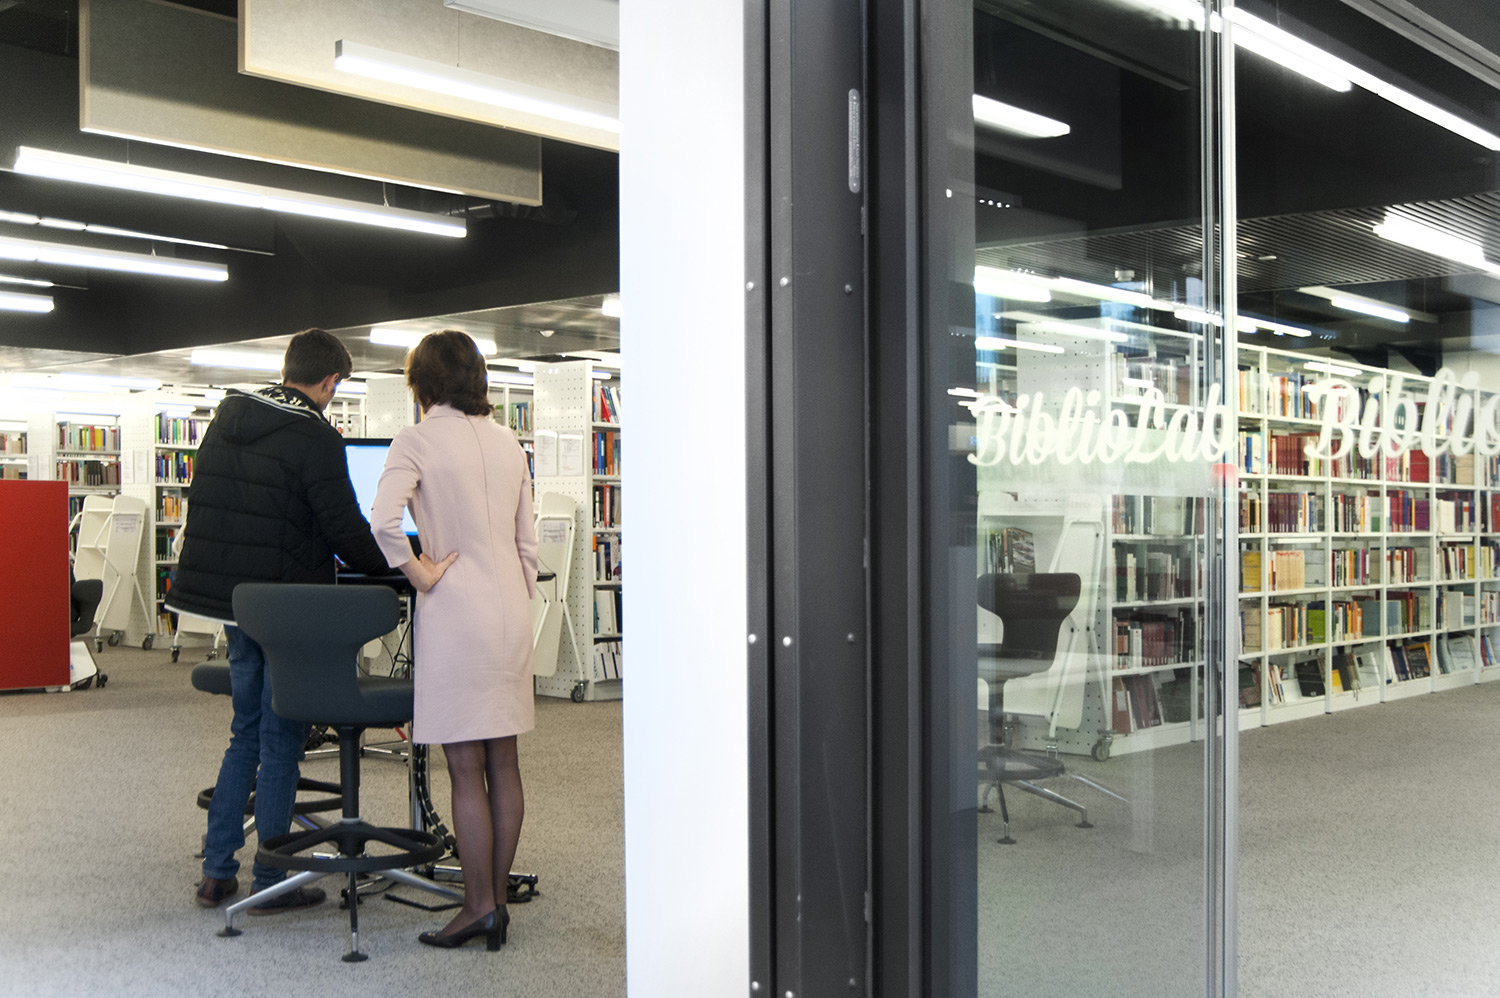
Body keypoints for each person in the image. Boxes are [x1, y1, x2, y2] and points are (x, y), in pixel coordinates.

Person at [167, 328, 409, 914]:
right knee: (280, 738)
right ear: (330, 382)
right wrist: (400, 570)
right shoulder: (315, 435)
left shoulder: (226, 420)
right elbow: (343, 527)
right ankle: (272, 877)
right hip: (285, 609)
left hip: (233, 602)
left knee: (244, 732)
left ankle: (216, 871)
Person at [371, 329, 538, 951]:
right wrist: (515, 593)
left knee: (465, 768)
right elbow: (527, 543)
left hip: (456, 609)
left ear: (420, 382)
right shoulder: (508, 442)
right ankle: (496, 902)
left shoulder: (415, 439)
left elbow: (383, 522)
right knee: (504, 761)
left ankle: (477, 906)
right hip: (509, 611)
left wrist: (420, 574)